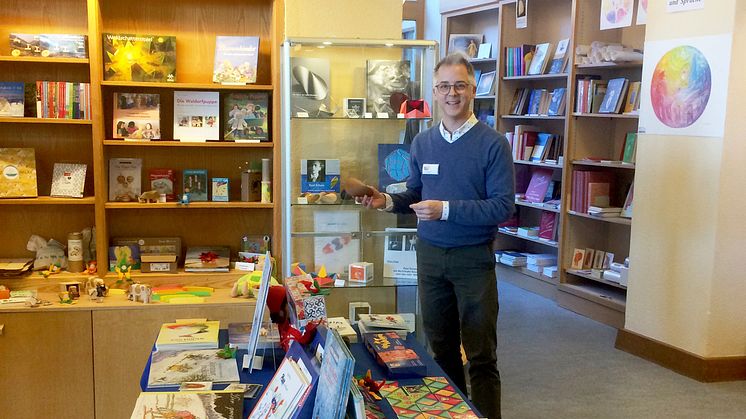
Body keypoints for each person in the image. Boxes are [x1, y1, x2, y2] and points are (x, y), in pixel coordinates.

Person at [355, 53, 514, 419]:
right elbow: (414, 194)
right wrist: (385, 200)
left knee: (481, 355)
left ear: (473, 89)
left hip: (473, 259)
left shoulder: (493, 144)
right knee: (440, 350)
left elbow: (503, 207)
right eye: (444, 86)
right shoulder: (423, 143)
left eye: (460, 85)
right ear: (435, 92)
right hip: (429, 257)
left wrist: (447, 209)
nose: (452, 93)